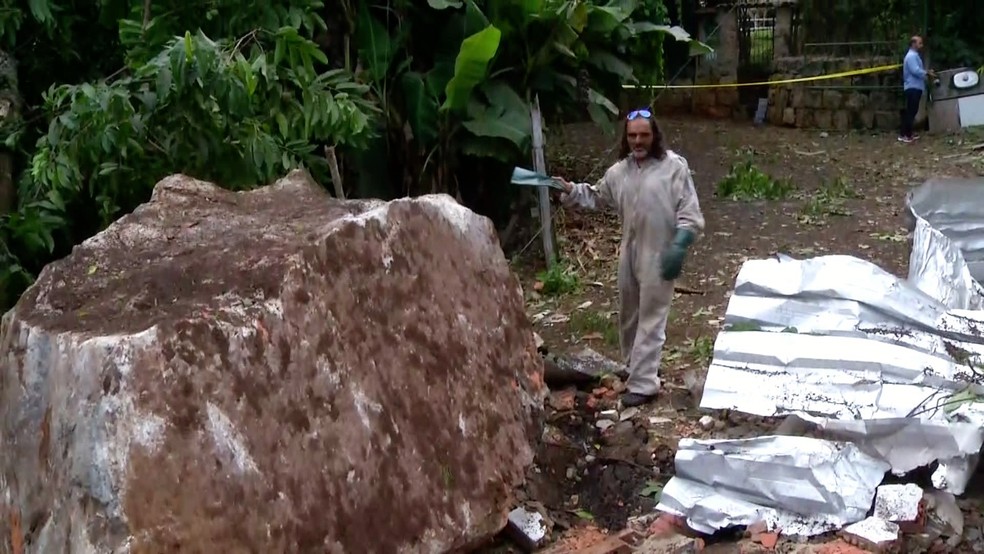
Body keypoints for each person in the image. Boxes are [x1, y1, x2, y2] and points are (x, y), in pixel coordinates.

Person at [555, 108, 705, 407]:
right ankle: (636, 367)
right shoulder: (619, 171)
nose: (638, 141)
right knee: (628, 316)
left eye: (644, 135)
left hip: (660, 252)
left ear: (655, 135)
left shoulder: (674, 167)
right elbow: (597, 196)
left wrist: (680, 245)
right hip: (629, 251)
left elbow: (691, 214)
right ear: (626, 137)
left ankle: (645, 384)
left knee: (651, 317)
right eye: (633, 135)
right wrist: (570, 190)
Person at [900, 35, 935, 143]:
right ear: (913, 44)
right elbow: (915, 70)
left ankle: (907, 133)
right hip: (912, 86)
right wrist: (927, 73)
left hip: (916, 86)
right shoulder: (911, 57)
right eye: (919, 43)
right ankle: (905, 134)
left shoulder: (914, 56)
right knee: (911, 111)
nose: (921, 45)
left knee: (912, 111)